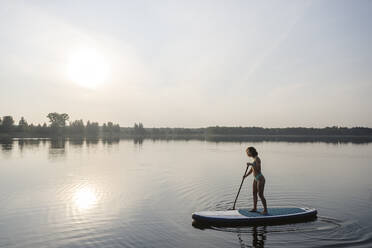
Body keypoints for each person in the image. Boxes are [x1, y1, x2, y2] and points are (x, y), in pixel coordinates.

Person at [243, 146, 268, 215]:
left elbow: (258, 169)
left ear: (251, 152)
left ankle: (265, 210)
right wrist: (246, 176)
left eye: (247, 152)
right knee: (254, 193)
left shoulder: (257, 159)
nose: (247, 153)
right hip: (255, 179)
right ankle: (255, 208)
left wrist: (251, 164)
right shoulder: (254, 159)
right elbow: (252, 170)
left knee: (260, 194)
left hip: (260, 179)